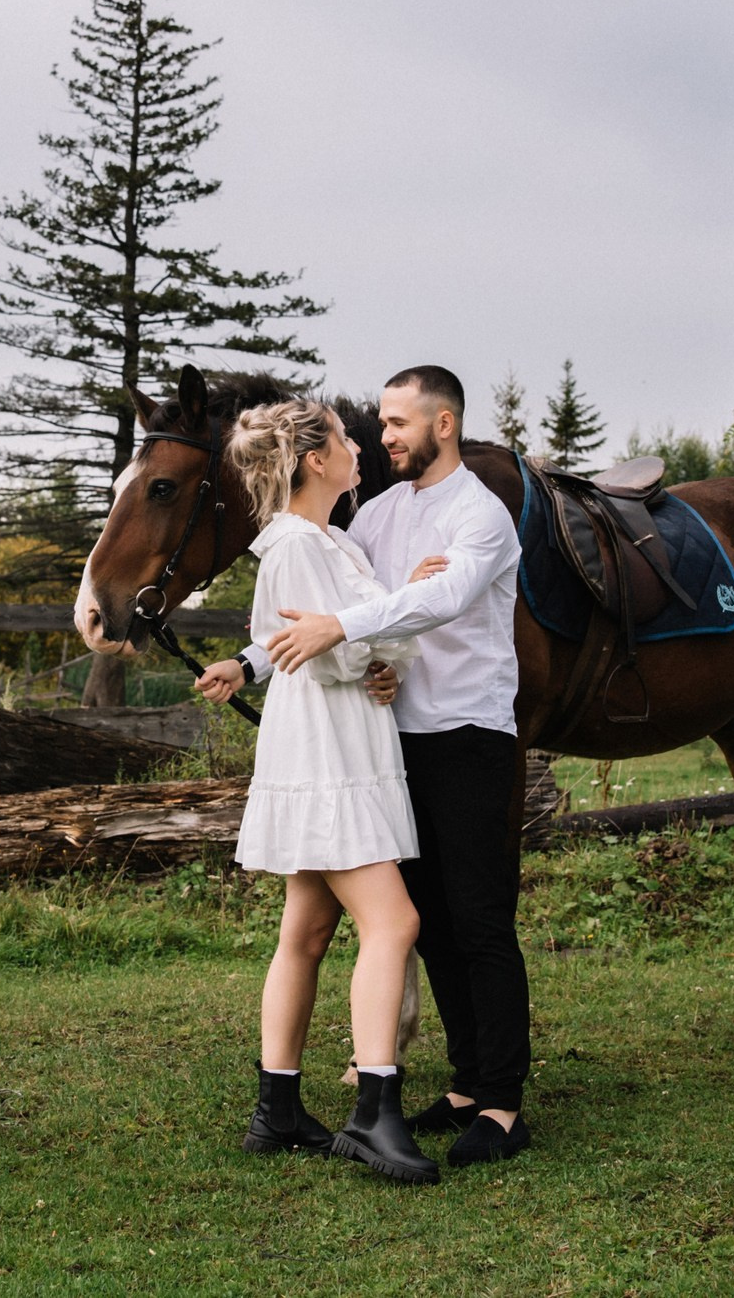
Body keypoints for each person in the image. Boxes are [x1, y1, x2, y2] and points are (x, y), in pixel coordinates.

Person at [198, 365, 533, 1167]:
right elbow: (310, 618)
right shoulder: (371, 518)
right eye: (371, 427)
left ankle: (502, 1101)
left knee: (479, 920)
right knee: (429, 922)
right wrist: (257, 660)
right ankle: (460, 1081)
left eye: (395, 423)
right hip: (384, 737)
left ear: (442, 423)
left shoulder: (482, 519)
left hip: (464, 731)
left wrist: (348, 636)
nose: (381, 437)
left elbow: (427, 603)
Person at [222, 398, 439, 1186]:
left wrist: (382, 644)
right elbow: (326, 652)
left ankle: (276, 1107)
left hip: (340, 741)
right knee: (396, 918)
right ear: (317, 459)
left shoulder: (329, 541)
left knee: (307, 931)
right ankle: (375, 1111)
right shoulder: (291, 546)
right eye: (349, 440)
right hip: (326, 754)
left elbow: (329, 643)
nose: (359, 450)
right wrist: (399, 613)